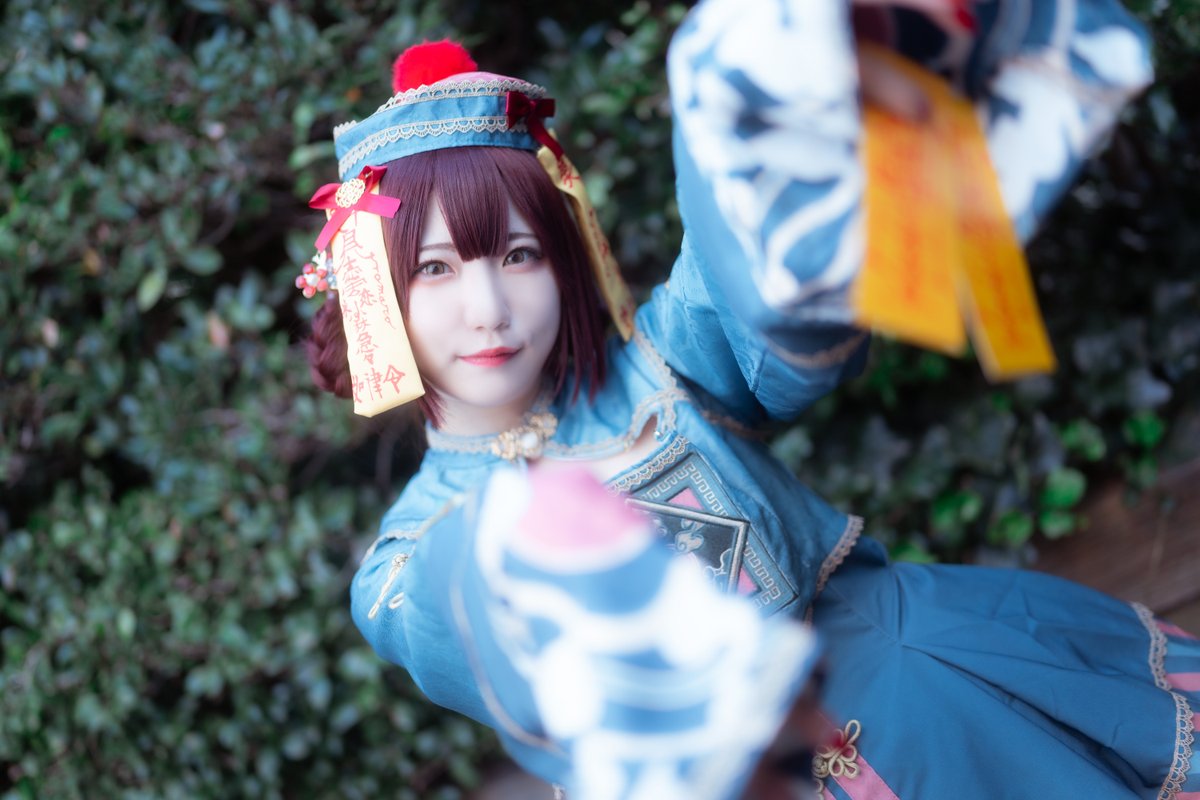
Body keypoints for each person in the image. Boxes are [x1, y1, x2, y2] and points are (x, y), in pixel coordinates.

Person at [301, 1, 1199, 797]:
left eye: (519, 254)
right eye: (435, 269)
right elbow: (459, 612)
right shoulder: (407, 563)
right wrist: (524, 546)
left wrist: (794, 63)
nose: (488, 307)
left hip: (942, 720)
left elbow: (744, 263)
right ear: (374, 292)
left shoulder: (663, 367)